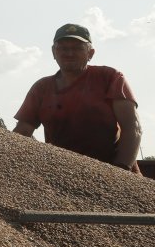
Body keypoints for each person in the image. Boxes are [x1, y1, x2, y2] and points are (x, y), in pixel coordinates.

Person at [13, 23, 142, 173]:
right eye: (62, 48)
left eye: (77, 48)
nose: (69, 53)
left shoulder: (110, 77)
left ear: (90, 53)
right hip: (63, 174)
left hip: (114, 171)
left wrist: (121, 171)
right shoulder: (41, 88)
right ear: (53, 52)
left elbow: (133, 127)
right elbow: (22, 131)